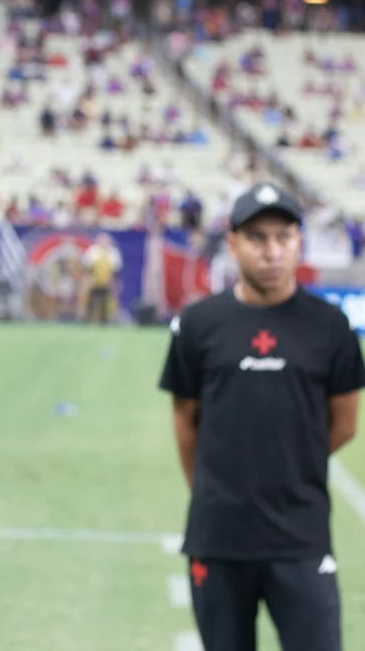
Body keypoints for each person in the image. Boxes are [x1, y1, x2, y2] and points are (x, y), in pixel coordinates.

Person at [159, 182, 363, 651]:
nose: (271, 251)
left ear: (299, 241)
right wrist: (220, 484)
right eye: (257, 238)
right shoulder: (198, 325)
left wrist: (289, 460)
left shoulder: (329, 327)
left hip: (301, 537)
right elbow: (186, 424)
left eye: (283, 237)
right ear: (232, 243)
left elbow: (345, 423)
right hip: (218, 537)